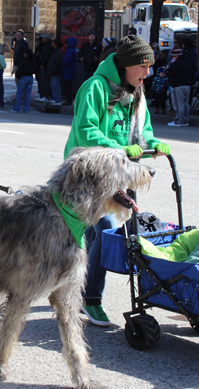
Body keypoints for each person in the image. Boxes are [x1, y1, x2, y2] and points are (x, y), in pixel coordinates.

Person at [64, 35, 170, 326]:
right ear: (126, 65)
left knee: (93, 235)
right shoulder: (95, 87)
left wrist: (152, 142)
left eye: (149, 67)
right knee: (108, 230)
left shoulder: (136, 91)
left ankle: (74, 288)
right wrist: (119, 148)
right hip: (87, 173)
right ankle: (90, 299)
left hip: (118, 173)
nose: (147, 73)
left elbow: (144, 127)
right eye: (143, 67)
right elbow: (86, 131)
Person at [167, 46, 193, 127]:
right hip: (188, 85)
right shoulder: (189, 61)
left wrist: (168, 69)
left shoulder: (176, 63)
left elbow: (171, 74)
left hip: (178, 85)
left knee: (178, 104)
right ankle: (185, 120)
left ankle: (179, 120)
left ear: (176, 55)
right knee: (185, 103)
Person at [11, 48, 38, 113]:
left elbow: (20, 70)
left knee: (19, 93)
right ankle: (26, 109)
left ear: (26, 54)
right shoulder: (33, 61)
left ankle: (16, 108)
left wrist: (17, 76)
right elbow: (36, 68)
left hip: (23, 77)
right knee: (28, 94)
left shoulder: (23, 61)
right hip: (30, 77)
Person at [34, 33, 52, 102]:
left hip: (44, 66)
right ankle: (42, 95)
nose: (42, 39)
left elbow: (46, 56)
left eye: (44, 38)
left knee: (45, 82)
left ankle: (45, 96)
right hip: (42, 65)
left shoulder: (47, 46)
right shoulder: (45, 46)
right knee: (42, 81)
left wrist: (43, 64)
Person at [62, 37, 77, 106]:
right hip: (70, 70)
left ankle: (68, 100)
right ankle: (68, 100)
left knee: (67, 86)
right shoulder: (72, 50)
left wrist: (63, 64)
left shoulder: (69, 51)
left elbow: (67, 60)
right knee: (68, 86)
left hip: (68, 70)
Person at [48, 38, 63, 105]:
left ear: (56, 44)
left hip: (56, 72)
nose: (52, 44)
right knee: (53, 85)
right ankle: (54, 98)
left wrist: (51, 69)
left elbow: (58, 63)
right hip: (53, 71)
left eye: (53, 42)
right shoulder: (55, 51)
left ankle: (56, 98)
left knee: (55, 86)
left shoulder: (58, 52)